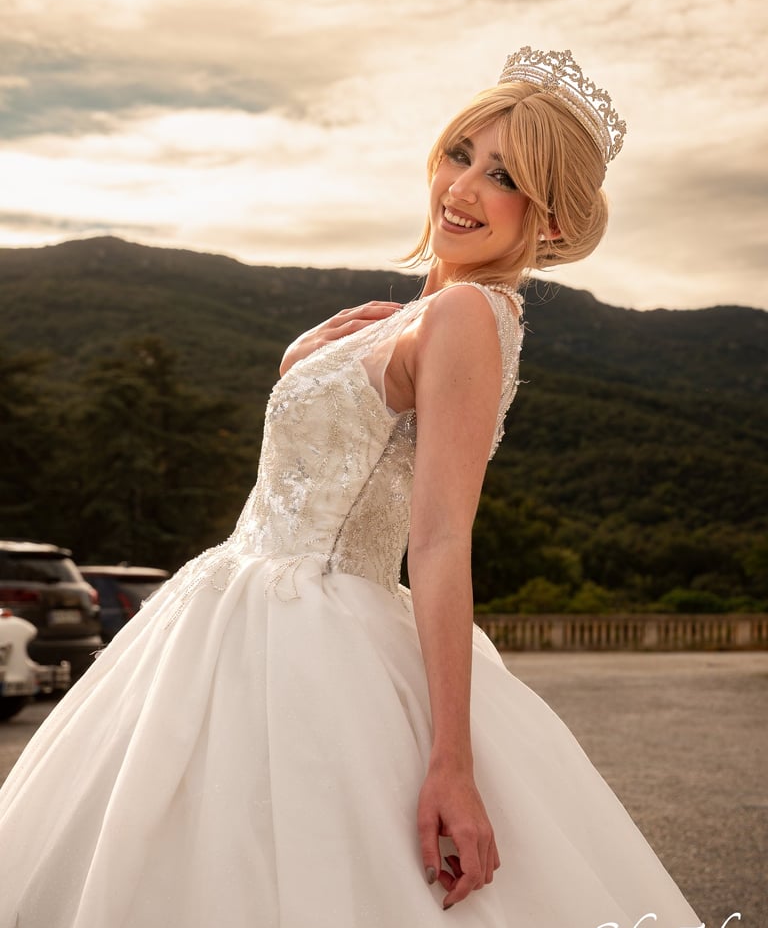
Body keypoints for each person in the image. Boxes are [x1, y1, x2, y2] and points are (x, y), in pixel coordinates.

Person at [0, 48, 699, 928]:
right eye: (461, 154)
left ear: (549, 220)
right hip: (226, 613)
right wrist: (305, 361)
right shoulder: (413, 315)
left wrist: (451, 762)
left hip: (308, 636)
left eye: (504, 176)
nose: (464, 187)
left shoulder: (467, 315)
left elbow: (440, 535)